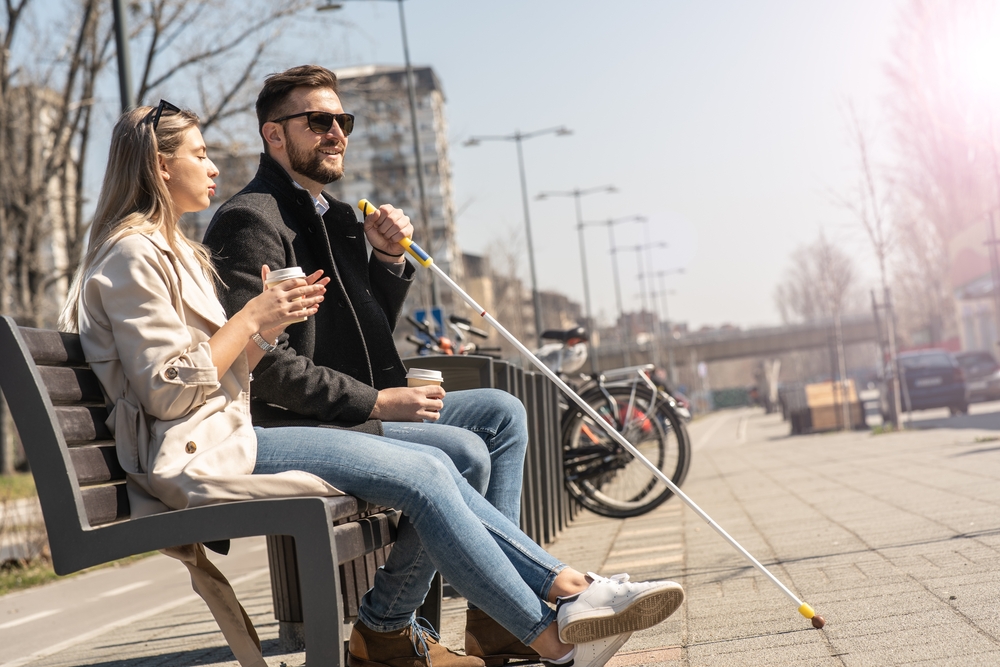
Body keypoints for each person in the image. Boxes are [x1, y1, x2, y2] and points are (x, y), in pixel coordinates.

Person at [61, 103, 686, 667]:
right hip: (199, 452)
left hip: (228, 432)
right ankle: (556, 623)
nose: (212, 165)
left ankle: (547, 611)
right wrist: (254, 320)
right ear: (158, 165)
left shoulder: (179, 252)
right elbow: (166, 394)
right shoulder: (131, 256)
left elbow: (229, 367)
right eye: (198, 154)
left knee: (444, 457)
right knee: (429, 468)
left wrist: (265, 326)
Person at [202, 65, 538, 665]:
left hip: (352, 406)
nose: (336, 133)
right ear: (274, 136)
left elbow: (360, 327)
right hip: (294, 421)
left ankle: (494, 620)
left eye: (342, 121)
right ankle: (395, 626)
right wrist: (379, 403)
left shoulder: (332, 215)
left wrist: (383, 258)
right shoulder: (252, 219)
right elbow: (264, 366)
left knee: (500, 412)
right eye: (318, 121)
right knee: (461, 448)